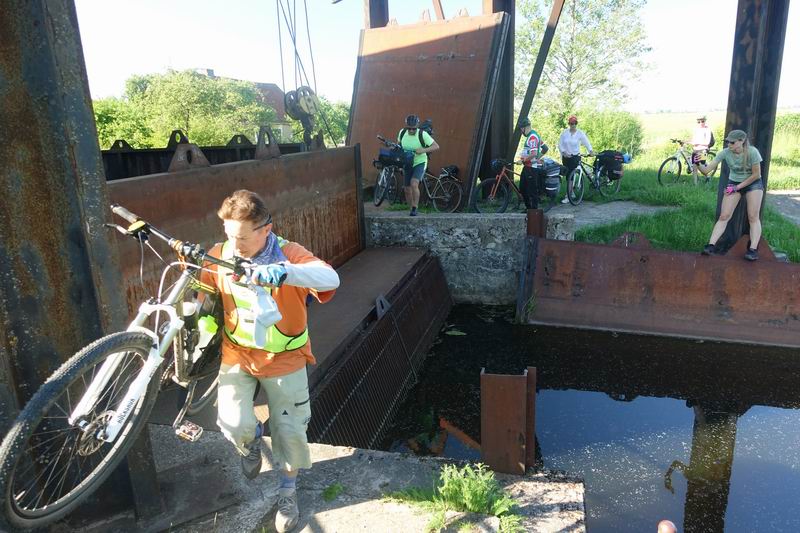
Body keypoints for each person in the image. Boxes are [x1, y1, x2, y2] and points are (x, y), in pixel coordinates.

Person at [201, 190, 340, 532]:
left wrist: (286, 273)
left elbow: (331, 279)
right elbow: (204, 296)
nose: (235, 244)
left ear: (266, 230)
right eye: (229, 234)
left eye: (243, 237)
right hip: (238, 353)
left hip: (285, 358)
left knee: (290, 433)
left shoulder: (290, 254)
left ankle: (288, 490)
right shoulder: (219, 254)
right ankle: (249, 444)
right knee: (232, 422)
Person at [697, 130, 764, 261]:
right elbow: (706, 171)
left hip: (753, 183)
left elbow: (756, 174)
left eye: (732, 142)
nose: (729, 144)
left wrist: (736, 188)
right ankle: (710, 246)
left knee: (753, 216)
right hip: (734, 182)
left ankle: (753, 250)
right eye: (728, 142)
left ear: (741, 141)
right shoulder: (725, 153)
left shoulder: (752, 152)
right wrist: (698, 162)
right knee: (724, 215)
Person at [398, 114, 440, 216]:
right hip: (407, 162)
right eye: (409, 128)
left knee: (414, 183)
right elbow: (399, 145)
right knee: (407, 189)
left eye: (414, 129)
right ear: (406, 126)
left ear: (417, 126)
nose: (411, 131)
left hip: (420, 162)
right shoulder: (402, 133)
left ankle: (415, 208)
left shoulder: (423, 134)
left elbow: (436, 146)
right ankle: (410, 207)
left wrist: (423, 150)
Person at [558, 115, 594, 203]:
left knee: (571, 176)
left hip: (575, 157)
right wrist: (563, 152)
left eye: (574, 123)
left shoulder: (580, 133)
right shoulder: (565, 133)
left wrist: (590, 150)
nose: (572, 125)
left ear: (576, 124)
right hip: (566, 157)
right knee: (568, 177)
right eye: (571, 123)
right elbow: (560, 144)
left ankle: (568, 196)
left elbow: (586, 142)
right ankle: (572, 193)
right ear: (569, 124)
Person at [517, 117, 548, 209]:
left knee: (532, 191)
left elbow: (533, 153)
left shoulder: (532, 137)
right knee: (522, 189)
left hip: (531, 168)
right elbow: (545, 148)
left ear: (524, 128)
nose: (521, 131)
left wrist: (523, 160)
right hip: (527, 167)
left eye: (521, 129)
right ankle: (529, 209)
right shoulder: (534, 135)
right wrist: (537, 158)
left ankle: (533, 212)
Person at [687, 115, 714, 185]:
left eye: (702, 121)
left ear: (705, 121)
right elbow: (693, 140)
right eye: (699, 122)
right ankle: (695, 185)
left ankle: (707, 177)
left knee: (702, 169)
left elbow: (707, 142)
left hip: (703, 150)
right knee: (694, 168)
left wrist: (697, 143)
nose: (701, 123)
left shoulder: (707, 130)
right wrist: (686, 141)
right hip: (695, 150)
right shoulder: (696, 129)